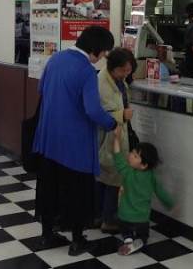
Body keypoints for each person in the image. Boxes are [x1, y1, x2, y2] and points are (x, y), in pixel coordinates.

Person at [33, 26, 117, 256]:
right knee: (78, 192)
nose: (103, 57)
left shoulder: (56, 59)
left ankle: (47, 236)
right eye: (104, 52)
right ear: (96, 49)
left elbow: (41, 88)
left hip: (48, 138)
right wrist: (112, 123)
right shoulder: (86, 70)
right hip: (75, 144)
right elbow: (93, 110)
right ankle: (78, 241)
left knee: (49, 189)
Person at [112, 125, 174, 256]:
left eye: (135, 156)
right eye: (132, 152)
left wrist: (116, 139)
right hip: (142, 217)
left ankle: (128, 239)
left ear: (144, 165)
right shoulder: (151, 176)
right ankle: (141, 240)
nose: (130, 155)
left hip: (124, 215)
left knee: (124, 227)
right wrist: (169, 203)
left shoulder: (127, 172)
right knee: (143, 233)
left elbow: (117, 157)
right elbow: (160, 192)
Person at [96, 48, 135, 234]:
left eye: (129, 70)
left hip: (117, 134)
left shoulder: (117, 79)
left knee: (107, 177)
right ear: (113, 67)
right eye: (123, 70)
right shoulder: (102, 83)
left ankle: (100, 215)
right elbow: (100, 113)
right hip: (109, 136)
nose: (126, 73)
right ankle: (108, 219)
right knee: (112, 178)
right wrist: (122, 115)